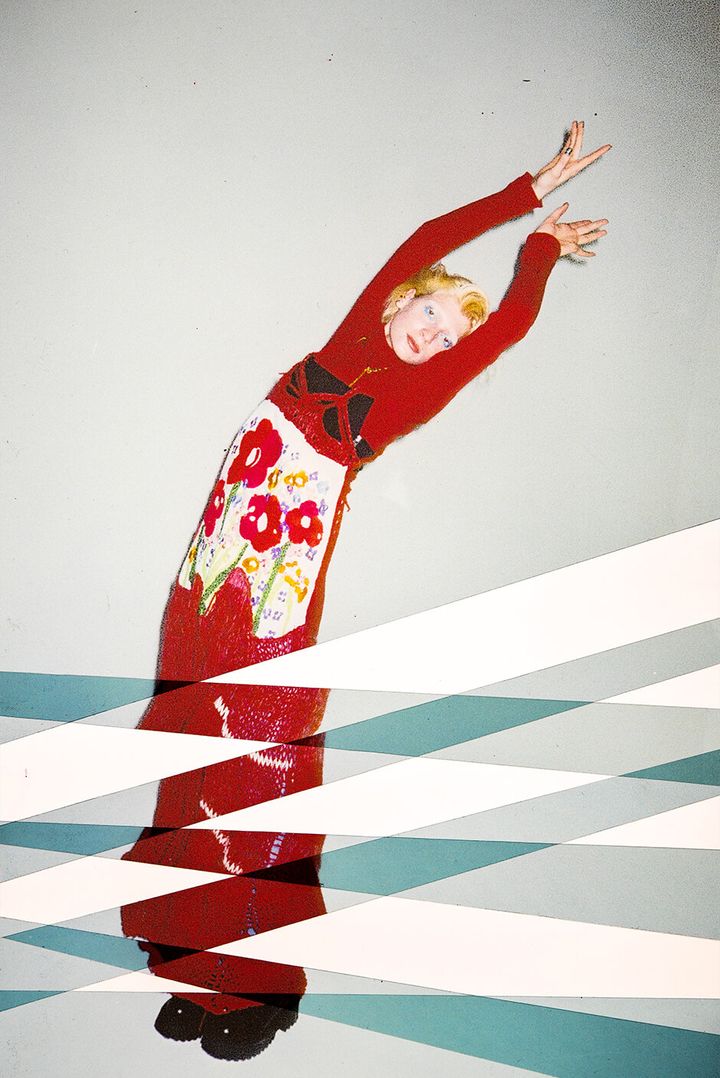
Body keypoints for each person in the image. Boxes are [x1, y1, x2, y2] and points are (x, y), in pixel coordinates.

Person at [122, 120, 610, 1054]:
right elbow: (426, 238)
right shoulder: (350, 338)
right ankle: (185, 956)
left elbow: (509, 324)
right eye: (431, 312)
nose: (435, 334)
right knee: (189, 751)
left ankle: (255, 984)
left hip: (271, 595)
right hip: (207, 582)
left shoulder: (409, 394)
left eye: (450, 335)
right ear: (400, 301)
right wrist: (526, 192)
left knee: (260, 766)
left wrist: (540, 249)